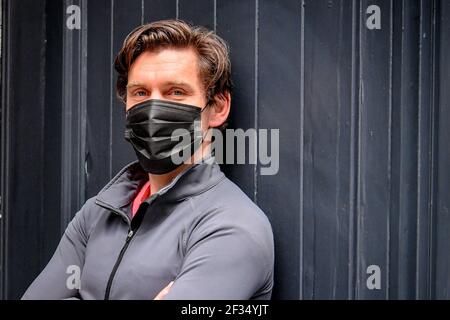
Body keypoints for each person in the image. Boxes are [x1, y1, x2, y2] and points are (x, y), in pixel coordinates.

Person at [22, 19, 274, 300]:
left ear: (218, 107)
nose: (153, 109)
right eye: (140, 93)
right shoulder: (98, 213)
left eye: (176, 92)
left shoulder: (232, 227)